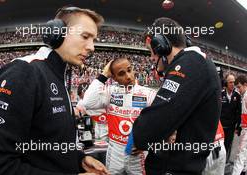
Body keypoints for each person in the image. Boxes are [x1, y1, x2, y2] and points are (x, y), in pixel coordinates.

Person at [0, 6, 108, 175]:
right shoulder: (24, 72)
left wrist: (79, 160)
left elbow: (48, 143)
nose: (92, 47)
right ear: (57, 32)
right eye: (85, 36)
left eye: (94, 40)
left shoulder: (58, 75)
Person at [132, 17, 221, 174]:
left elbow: (144, 132)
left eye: (150, 51)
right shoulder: (196, 62)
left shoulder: (189, 64)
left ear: (161, 45)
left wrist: (153, 131)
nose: (151, 58)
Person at [80, 57, 158, 175]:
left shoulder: (149, 94)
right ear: (114, 77)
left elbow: (164, 121)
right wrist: (104, 75)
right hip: (115, 152)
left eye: (129, 70)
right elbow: (87, 103)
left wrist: (148, 142)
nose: (128, 76)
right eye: (121, 74)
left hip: (138, 155)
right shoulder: (110, 92)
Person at [220, 74, 242, 161]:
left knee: (228, 145)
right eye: (230, 82)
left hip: (231, 127)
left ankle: (225, 162)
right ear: (226, 83)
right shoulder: (220, 94)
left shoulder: (237, 95)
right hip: (221, 126)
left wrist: (238, 127)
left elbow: (239, 112)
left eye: (234, 82)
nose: (233, 84)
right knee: (220, 145)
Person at [232, 75, 247, 175]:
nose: (238, 89)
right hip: (244, 128)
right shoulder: (244, 95)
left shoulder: (246, 96)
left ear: (245, 85)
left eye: (239, 87)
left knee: (240, 156)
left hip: (246, 130)